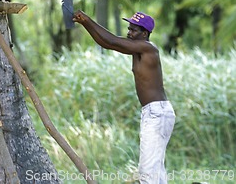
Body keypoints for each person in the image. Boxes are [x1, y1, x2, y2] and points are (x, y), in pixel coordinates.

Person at [73, 10, 175, 184]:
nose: (129, 33)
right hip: (155, 112)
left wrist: (88, 20)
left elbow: (112, 40)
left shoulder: (148, 48)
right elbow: (107, 44)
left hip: (157, 113)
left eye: (133, 30)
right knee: (155, 170)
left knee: (148, 171)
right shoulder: (137, 50)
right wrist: (85, 24)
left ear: (145, 34)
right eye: (129, 29)